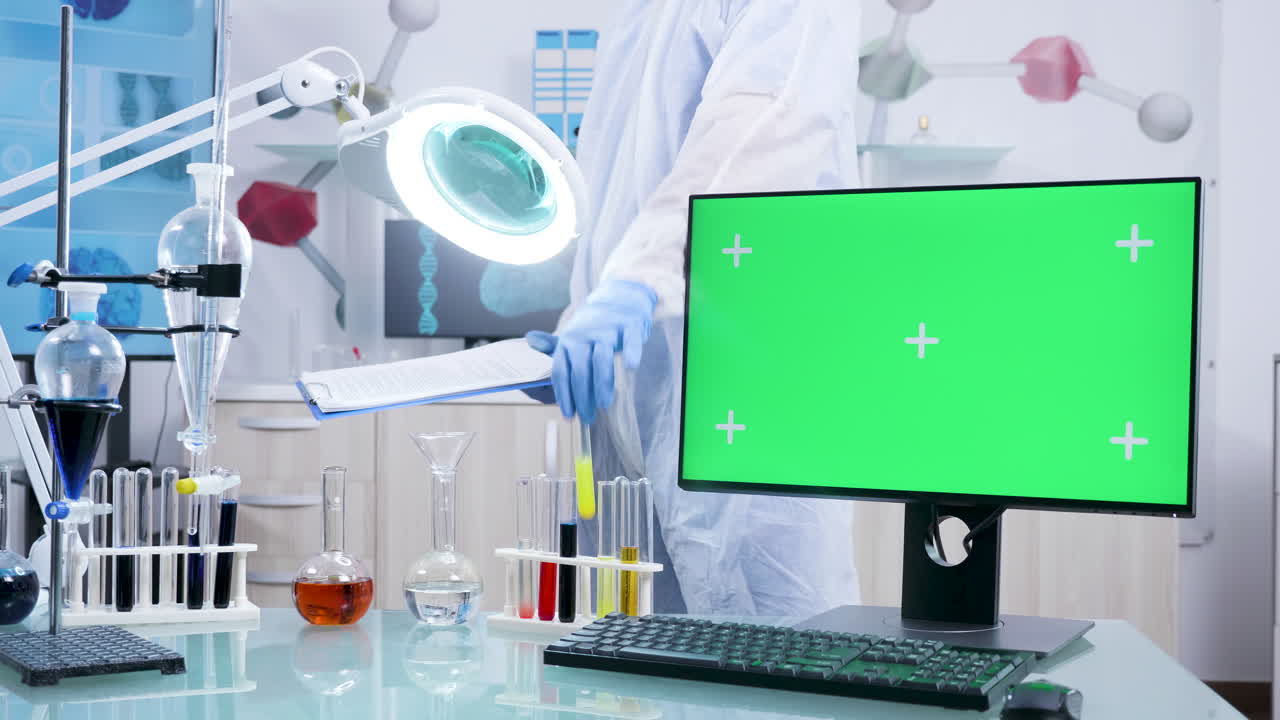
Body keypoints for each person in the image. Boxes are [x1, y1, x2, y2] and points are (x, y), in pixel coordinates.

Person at [526, 0, 862, 616]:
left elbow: (762, 130)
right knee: (628, 658)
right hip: (632, 400)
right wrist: (581, 320)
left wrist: (640, 280)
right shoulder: (638, 15)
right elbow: (619, 193)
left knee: (771, 654)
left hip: (749, 387)